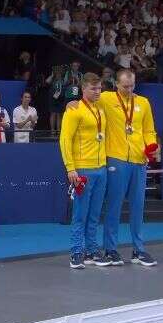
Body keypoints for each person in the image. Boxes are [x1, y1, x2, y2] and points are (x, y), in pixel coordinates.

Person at [67, 69, 159, 267]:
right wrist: (70, 102)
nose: (129, 89)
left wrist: (151, 145)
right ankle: (111, 249)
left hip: (139, 160)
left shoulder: (143, 102)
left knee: (138, 206)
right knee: (113, 206)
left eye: (132, 85)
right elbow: (86, 100)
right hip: (115, 160)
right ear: (116, 84)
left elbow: (149, 130)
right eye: (125, 86)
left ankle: (138, 250)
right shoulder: (106, 98)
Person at [59, 73, 111, 268]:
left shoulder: (101, 108)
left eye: (99, 88)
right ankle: (76, 251)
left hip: (101, 168)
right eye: (93, 88)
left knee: (95, 213)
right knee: (80, 213)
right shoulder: (74, 110)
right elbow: (65, 140)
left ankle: (92, 250)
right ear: (83, 89)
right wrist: (70, 168)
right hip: (82, 169)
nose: (97, 92)